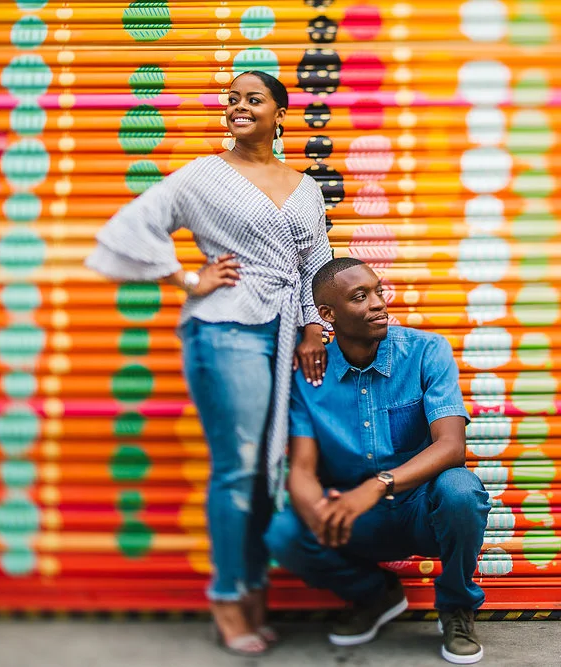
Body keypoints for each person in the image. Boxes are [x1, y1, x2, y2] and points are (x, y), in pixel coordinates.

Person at [85, 71, 332, 656]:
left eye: (254, 99)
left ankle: (250, 585)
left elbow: (314, 258)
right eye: (232, 99)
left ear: (280, 115)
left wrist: (312, 327)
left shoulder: (303, 185)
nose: (239, 106)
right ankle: (229, 596)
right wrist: (186, 279)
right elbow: (132, 224)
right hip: (226, 328)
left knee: (266, 470)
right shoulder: (204, 174)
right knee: (238, 466)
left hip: (283, 334)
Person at [265, 257, 492, 665]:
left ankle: (457, 608)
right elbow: (300, 468)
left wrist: (378, 485)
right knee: (282, 528)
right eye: (360, 296)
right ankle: (374, 593)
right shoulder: (309, 378)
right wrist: (318, 513)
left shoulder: (426, 351)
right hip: (354, 520)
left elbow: (451, 446)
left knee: (461, 489)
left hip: (421, 513)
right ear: (328, 315)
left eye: (378, 291)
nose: (378, 304)